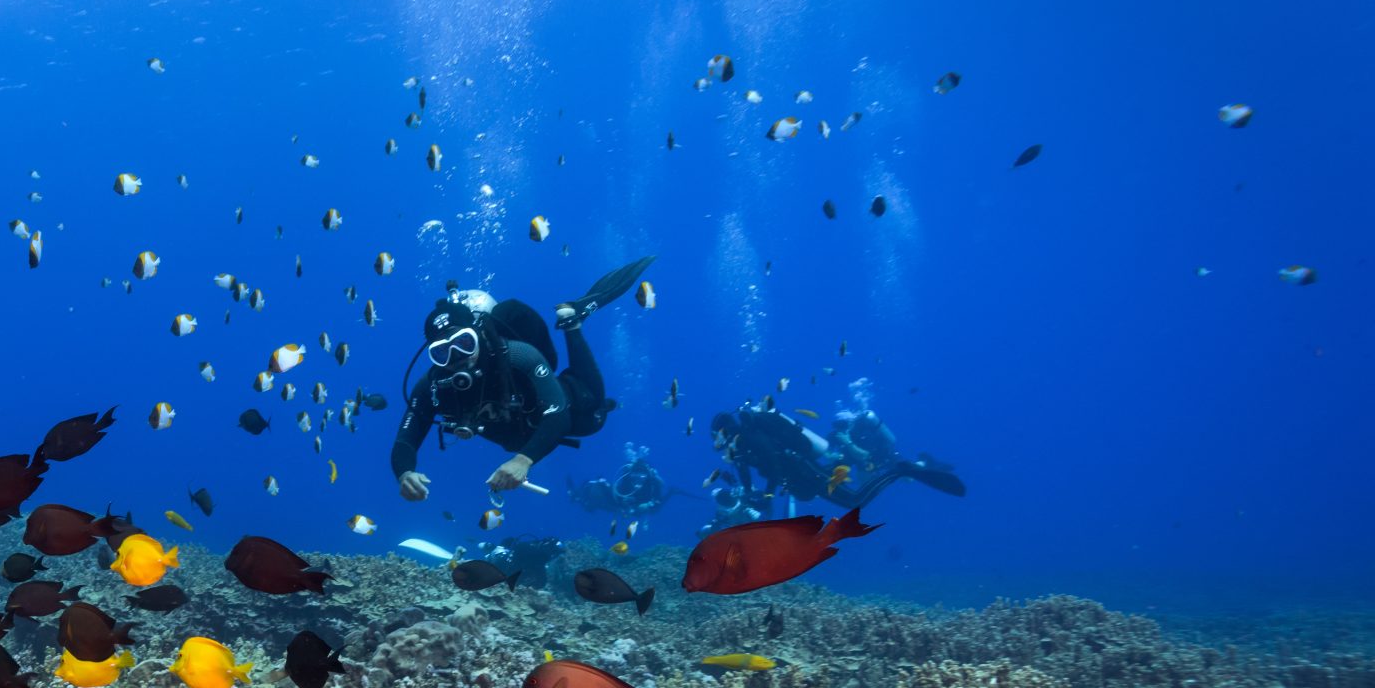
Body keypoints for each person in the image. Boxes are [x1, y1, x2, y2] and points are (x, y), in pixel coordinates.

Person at [392, 257, 655, 502]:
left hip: (555, 409)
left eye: (464, 343)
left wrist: (523, 460)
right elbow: (405, 438)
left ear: (478, 335)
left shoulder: (518, 355)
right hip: (518, 432)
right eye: (442, 352)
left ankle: (571, 324)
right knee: (520, 438)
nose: (457, 357)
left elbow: (559, 415)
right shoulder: (433, 386)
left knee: (591, 413)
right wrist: (405, 473)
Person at [707, 392, 964, 512]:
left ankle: (899, 470)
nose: (717, 442)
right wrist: (750, 491)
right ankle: (905, 469)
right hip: (797, 476)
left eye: (716, 436)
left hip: (805, 470)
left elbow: (773, 462)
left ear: (724, 430)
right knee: (850, 498)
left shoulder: (750, 437)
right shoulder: (740, 446)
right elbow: (743, 468)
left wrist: (768, 495)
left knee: (855, 501)